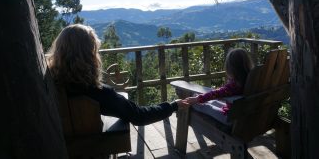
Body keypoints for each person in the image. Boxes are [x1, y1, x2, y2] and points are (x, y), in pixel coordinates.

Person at [47, 24, 187, 126]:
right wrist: (173, 105)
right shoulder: (99, 94)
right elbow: (139, 116)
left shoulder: (50, 84)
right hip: (94, 146)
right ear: (90, 55)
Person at [183, 48, 254, 124]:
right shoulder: (252, 79)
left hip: (232, 119)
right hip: (243, 114)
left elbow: (216, 93)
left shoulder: (234, 85)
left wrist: (197, 99)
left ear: (230, 68)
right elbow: (220, 93)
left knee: (206, 107)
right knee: (213, 101)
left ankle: (187, 105)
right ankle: (195, 99)